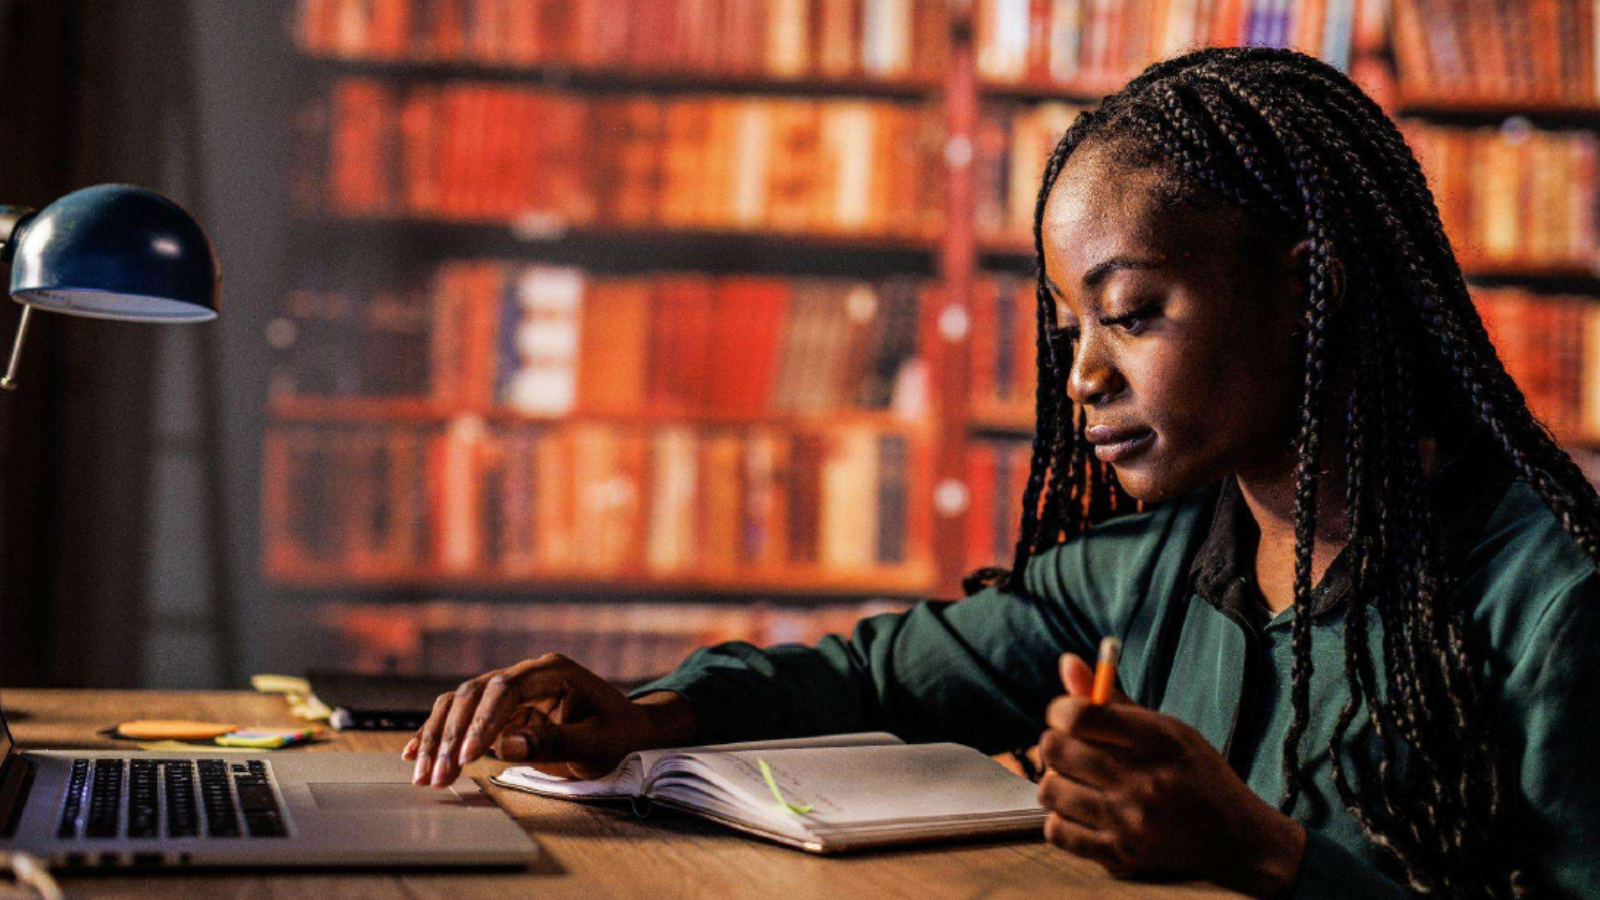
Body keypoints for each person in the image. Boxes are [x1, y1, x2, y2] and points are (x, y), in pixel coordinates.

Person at [401, 47, 1599, 899]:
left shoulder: (1555, 605)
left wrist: (1267, 857)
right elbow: (884, 674)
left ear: (1306, 289)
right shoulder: (1161, 564)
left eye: (1130, 315)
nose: (1080, 380)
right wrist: (642, 712)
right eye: (1066, 329)